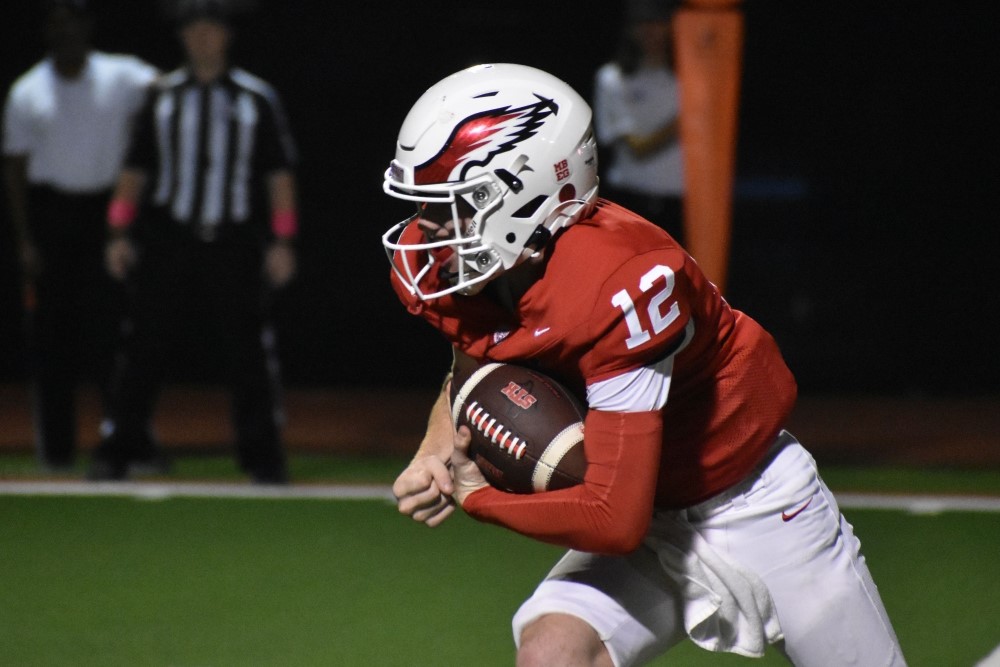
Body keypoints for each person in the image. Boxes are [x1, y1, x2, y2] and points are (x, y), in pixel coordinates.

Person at [383, 64, 906, 666]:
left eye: (452, 208)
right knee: (552, 655)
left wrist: (477, 497)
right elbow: (473, 361)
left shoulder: (622, 278)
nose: (427, 232)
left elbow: (614, 519)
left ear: (525, 193)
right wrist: (434, 449)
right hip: (652, 509)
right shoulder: (461, 272)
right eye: (425, 206)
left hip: (756, 502)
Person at [89, 0, 299, 483]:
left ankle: (263, 457)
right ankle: (119, 449)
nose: (203, 37)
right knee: (142, 348)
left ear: (227, 36)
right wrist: (118, 232)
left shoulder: (255, 98)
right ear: (182, 37)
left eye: (212, 28)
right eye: (194, 29)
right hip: (170, 238)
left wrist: (283, 240)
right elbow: (135, 169)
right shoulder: (161, 96)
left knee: (249, 353)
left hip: (233, 241)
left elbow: (279, 175)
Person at [2, 0, 159, 471]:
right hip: (52, 216)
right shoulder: (27, 91)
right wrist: (24, 239)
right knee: (51, 338)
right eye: (57, 24)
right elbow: (14, 169)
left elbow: (167, 86)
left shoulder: (121, 75)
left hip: (107, 216)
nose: (66, 33)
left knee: (114, 336)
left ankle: (125, 442)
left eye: (74, 23)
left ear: (88, 28)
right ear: (47, 31)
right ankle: (56, 450)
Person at [592, 0, 684, 242]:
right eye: (643, 24)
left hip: (682, 203)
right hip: (631, 199)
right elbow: (637, 148)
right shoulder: (612, 78)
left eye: (658, 23)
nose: (651, 32)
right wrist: (688, 121)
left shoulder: (690, 77)